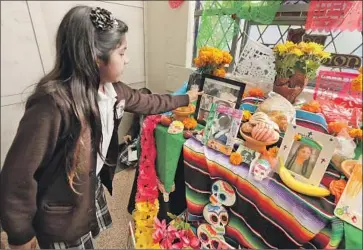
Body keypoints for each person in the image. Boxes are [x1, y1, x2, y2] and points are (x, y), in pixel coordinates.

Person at [0, 6, 201, 249]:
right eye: (122, 52)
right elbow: (17, 176)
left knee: (89, 234)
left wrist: (186, 98)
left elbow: (149, 102)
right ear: (96, 57)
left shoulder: (113, 90)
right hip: (60, 207)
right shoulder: (52, 104)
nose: (127, 59)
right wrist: (19, 235)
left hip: (87, 187)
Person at [117, 87, 152, 171]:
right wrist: (129, 134)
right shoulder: (137, 112)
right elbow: (134, 125)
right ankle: (137, 159)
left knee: (127, 159)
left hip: (147, 142)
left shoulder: (152, 114)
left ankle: (140, 159)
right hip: (138, 139)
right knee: (123, 158)